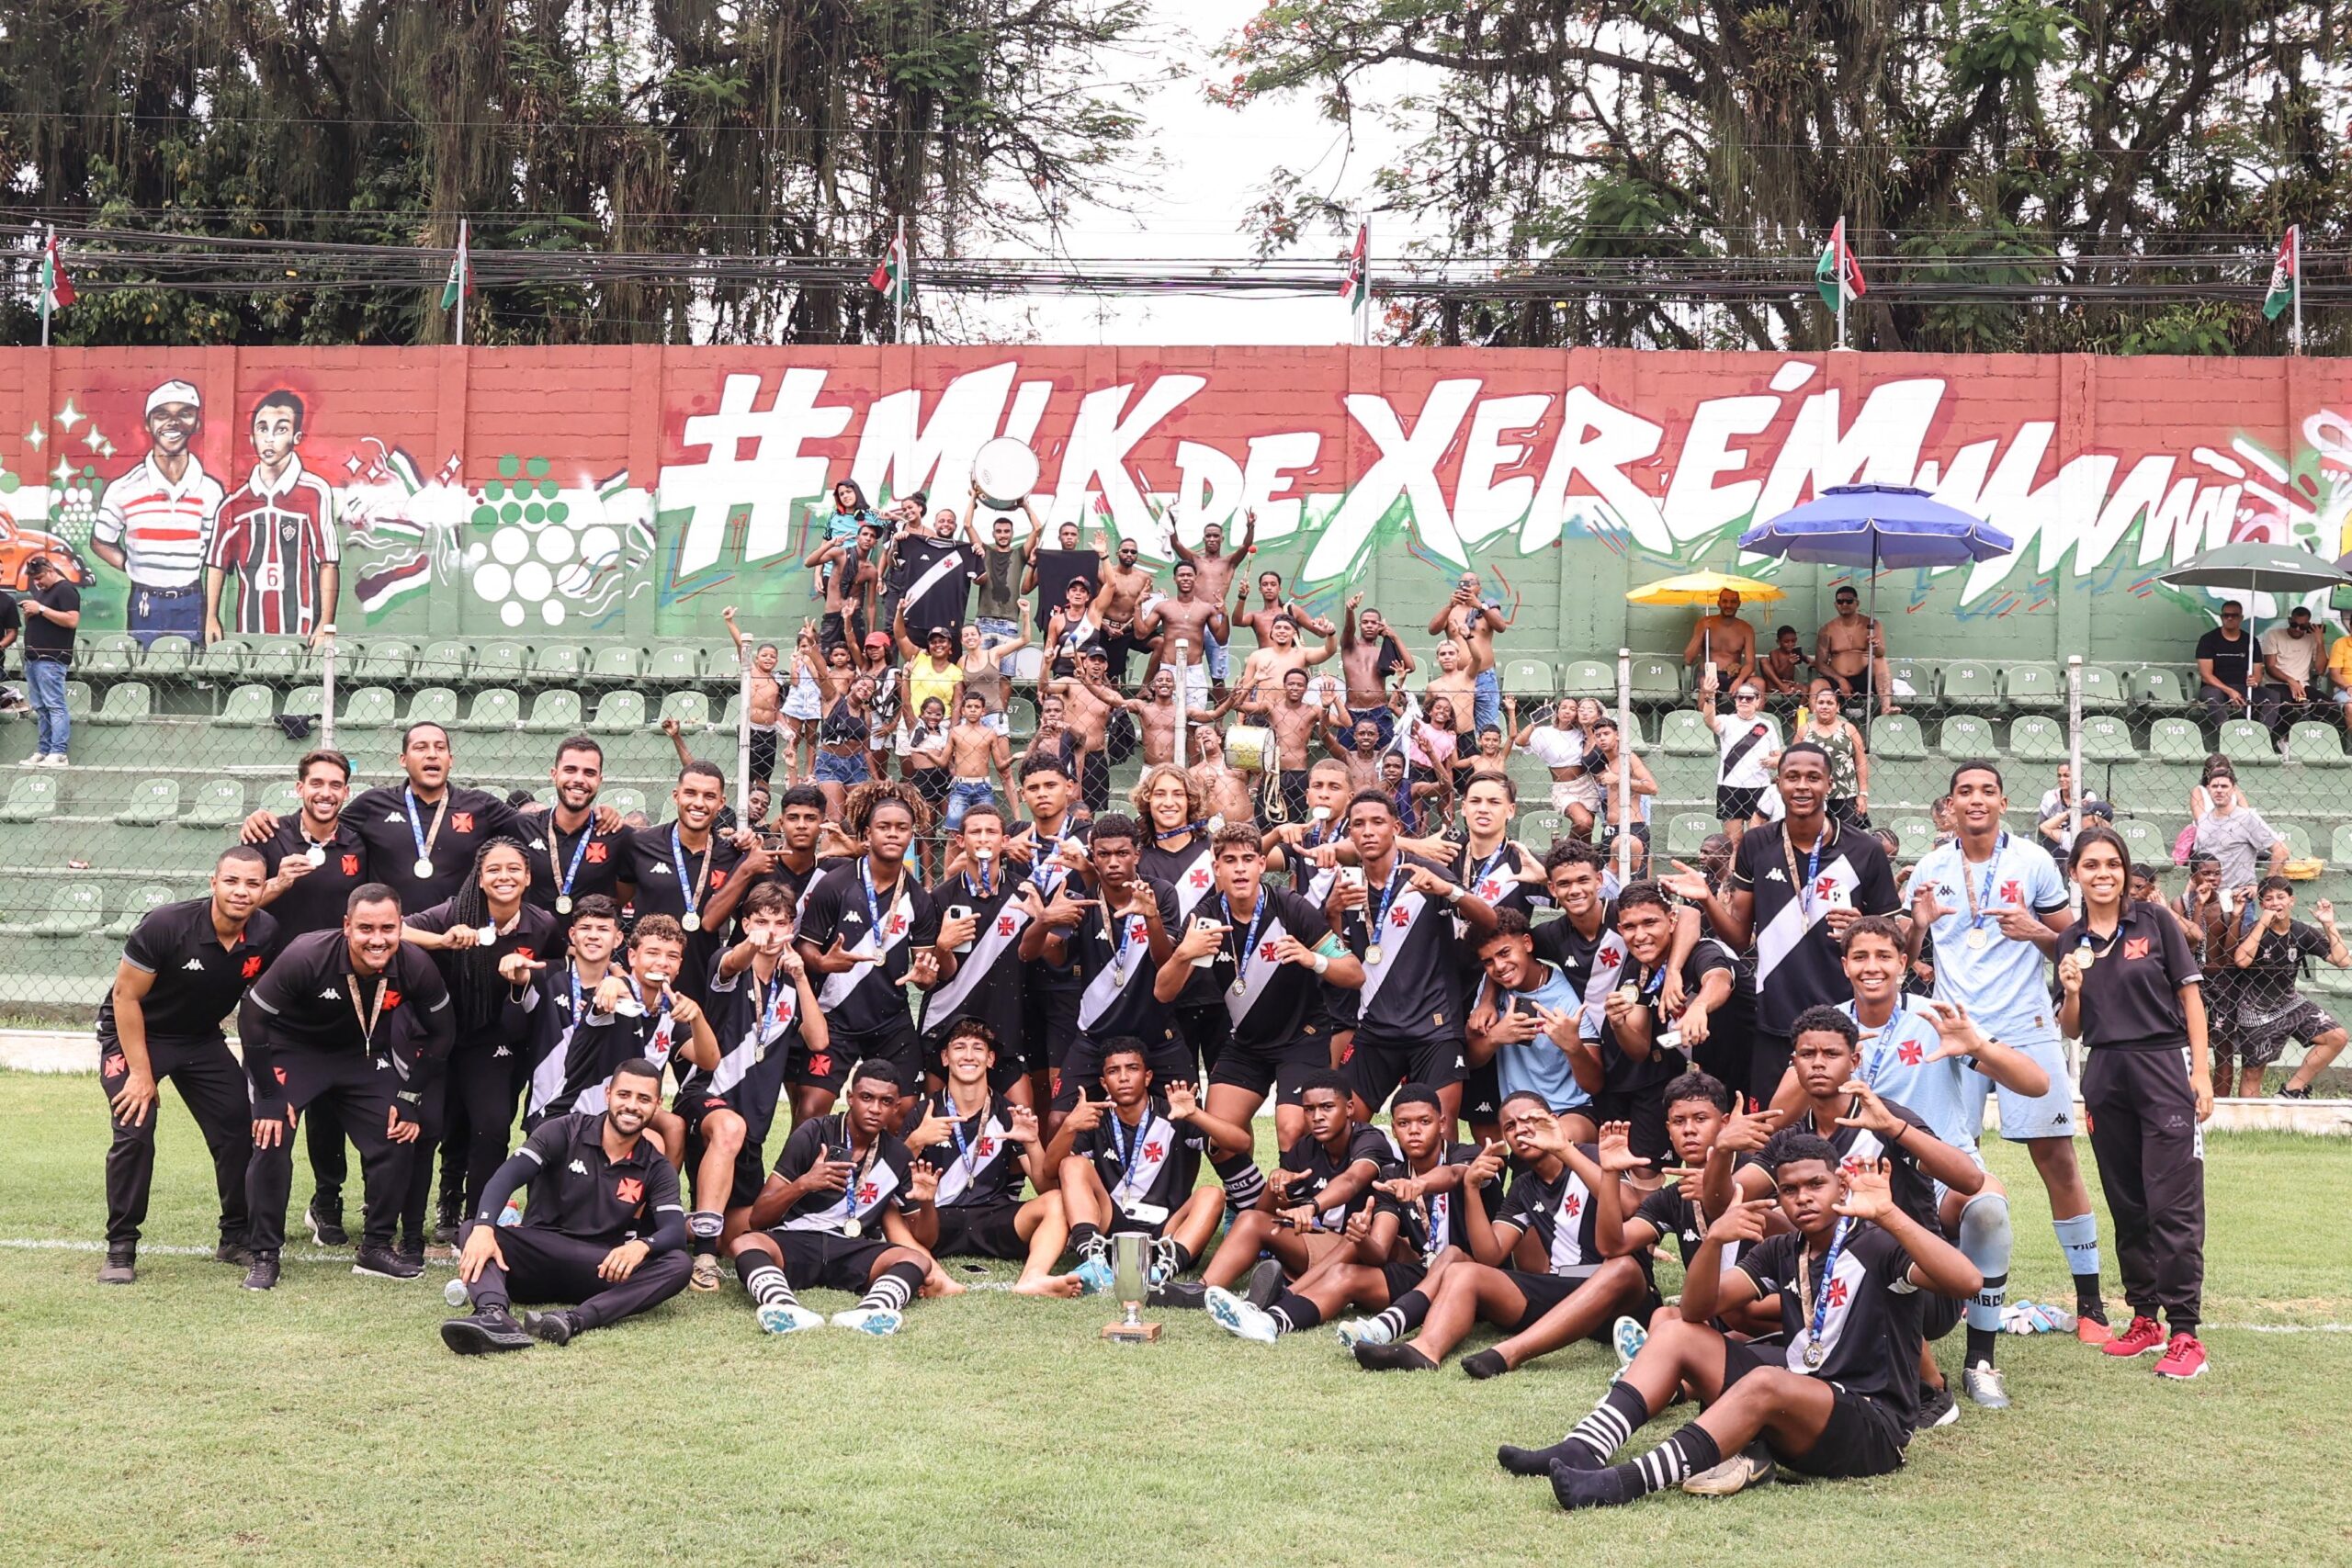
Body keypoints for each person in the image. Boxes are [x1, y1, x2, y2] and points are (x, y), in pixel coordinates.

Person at [1526, 1134, 1981, 1509]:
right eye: (1789, 1190)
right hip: (1801, 1401)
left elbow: (1967, 1281)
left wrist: (1889, 1214)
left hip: (1871, 1426)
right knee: (1676, 1331)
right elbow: (1696, 1311)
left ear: (1842, 1186)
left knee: (1767, 1380)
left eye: (1816, 1184)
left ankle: (1624, 1482)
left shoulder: (1879, 1245)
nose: (1803, 1198)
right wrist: (1713, 1242)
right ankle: (1583, 1447)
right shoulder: (1784, 1249)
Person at [1905, 761, 2109, 1343]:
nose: (1976, 800)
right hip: (1954, 1030)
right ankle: (1951, 1294)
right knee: (1945, 1165)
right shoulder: (1931, 868)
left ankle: (2090, 1303)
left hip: (2025, 1024)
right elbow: (1910, 955)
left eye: (1987, 791)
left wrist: (2036, 931)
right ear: (1949, 806)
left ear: (2003, 801)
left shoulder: (2033, 861)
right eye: (1965, 792)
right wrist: (1917, 928)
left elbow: (2074, 947)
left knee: (2057, 1159)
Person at [1819, 918, 2052, 1407]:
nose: (1872, 967)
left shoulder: (1935, 1019)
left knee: (1988, 1209)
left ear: (1903, 963)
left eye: (1884, 956)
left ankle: (1980, 1362)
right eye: (1860, 957)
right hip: (1861, 1176)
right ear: (1844, 966)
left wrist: (1978, 1046)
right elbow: (1790, 1105)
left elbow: (2036, 1084)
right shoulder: (1829, 1029)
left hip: (1940, 1170)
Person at [239, 884, 455, 1290]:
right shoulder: (307, 954)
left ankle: (375, 1247)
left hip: (362, 1057)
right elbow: (252, 1019)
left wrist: (409, 1097)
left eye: (387, 928)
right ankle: (264, 1253)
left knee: (397, 1131)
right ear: (346, 926)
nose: (377, 940)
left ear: (400, 926)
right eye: (365, 928)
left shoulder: (415, 964)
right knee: (272, 1135)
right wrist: (268, 1095)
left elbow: (443, 1033)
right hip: (294, 1052)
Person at [2056, 825, 2213, 1381]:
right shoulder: (2070, 941)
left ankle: (2186, 1332)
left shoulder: (2154, 922)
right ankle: (2145, 1318)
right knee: (2127, 1202)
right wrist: (2071, 991)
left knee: (2173, 1203)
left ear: (2124, 872)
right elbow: (2072, 1028)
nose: (2103, 874)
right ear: (2075, 874)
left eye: (2112, 864)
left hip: (2164, 1066)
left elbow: (2191, 997)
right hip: (2105, 1073)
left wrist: (2201, 1073)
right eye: (2091, 865)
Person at [1664, 742, 1901, 1106]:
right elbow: (1739, 938)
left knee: (1838, 1123)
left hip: (1840, 1016)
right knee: (1770, 1125)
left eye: (1813, 777)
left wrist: (1862, 927)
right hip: (1774, 1014)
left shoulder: (1864, 849)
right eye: (1792, 777)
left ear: (1830, 784)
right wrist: (1708, 899)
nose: (1802, 786)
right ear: (1778, 782)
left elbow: (1892, 939)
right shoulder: (1757, 843)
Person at [1351, 1092, 1655, 1373]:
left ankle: (1508, 1353)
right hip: (1563, 1288)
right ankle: (1424, 1349)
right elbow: (1490, 1255)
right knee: (1463, 1271)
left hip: (1622, 1296)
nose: (1520, 1130)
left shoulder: (1593, 1155)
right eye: (1510, 1126)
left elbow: (1628, 1206)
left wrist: (1564, 1149)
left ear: (1554, 1122)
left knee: (1623, 1267)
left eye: (1530, 1121)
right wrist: (1471, 1187)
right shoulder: (1523, 1187)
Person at [96, 846, 280, 1284]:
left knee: (238, 1127)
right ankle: (121, 1248)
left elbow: (261, 1005)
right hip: (135, 1034)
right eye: (231, 881)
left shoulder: (266, 932)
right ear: (214, 883)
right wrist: (141, 1074)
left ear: (264, 889)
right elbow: (125, 997)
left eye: (252, 883)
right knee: (135, 1129)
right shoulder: (166, 925)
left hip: (200, 1039)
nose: (241, 891)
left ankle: (235, 1236)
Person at [438, 1059, 693, 1352]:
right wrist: (484, 1227)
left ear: (658, 1105)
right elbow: (505, 1178)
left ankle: (572, 1320)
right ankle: (493, 1315)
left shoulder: (657, 1166)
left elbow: (674, 1231)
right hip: (535, 1256)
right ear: (608, 1094)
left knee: (679, 1264)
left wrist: (642, 1246)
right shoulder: (564, 1131)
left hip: (599, 1268)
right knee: (473, 1229)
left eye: (644, 1099)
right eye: (624, 1095)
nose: (632, 1106)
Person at [1226, 1086, 1504, 1347]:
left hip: (1477, 1278)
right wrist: (1361, 1238)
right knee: (1344, 1274)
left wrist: (1421, 1184)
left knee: (1452, 1255)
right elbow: (1380, 1251)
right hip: (1425, 1271)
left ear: (1442, 1124)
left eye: (1424, 1122)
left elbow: (1454, 1175)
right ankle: (1272, 1319)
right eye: (1404, 1124)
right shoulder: (1391, 1177)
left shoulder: (1467, 1155)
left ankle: (1384, 1327)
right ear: (1393, 1129)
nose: (1414, 1131)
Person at [399, 838, 563, 1253]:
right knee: (439, 1124)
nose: (504, 877)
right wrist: (442, 940)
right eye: (494, 869)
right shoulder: (454, 912)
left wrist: (530, 970)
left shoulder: (541, 923)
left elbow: (565, 964)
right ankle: (440, 1208)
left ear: (528, 877)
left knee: (490, 1126)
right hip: (441, 1036)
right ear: (480, 877)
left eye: (513, 869)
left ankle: (477, 1222)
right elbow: (396, 928)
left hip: (497, 1042)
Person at [1159, 824, 1362, 1156]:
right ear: (1216, 868)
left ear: (1262, 865)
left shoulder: (1290, 907)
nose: (1240, 868)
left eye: (1248, 859)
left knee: (1292, 1129)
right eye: (1230, 860)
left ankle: (1297, 1191)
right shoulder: (1205, 918)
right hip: (1247, 1043)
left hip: (1302, 1038)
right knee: (1218, 1138)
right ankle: (1252, 1192)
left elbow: (1354, 973)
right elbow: (1163, 993)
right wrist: (1183, 954)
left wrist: (1312, 958)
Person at [729, 1060, 938, 1336]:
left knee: (917, 1260)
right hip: (798, 1240)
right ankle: (784, 1307)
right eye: (866, 1097)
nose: (875, 1109)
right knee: (745, 1242)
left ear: (896, 1107)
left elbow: (925, 1240)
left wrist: (928, 1203)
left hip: (852, 1247)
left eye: (886, 1101)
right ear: (850, 1098)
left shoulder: (898, 1155)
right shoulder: (813, 1133)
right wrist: (804, 1184)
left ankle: (871, 1312)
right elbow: (758, 1218)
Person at [1329, 789, 1498, 1125]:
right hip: (1374, 1029)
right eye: (1358, 824)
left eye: (1377, 822)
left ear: (1396, 827)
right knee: (1342, 1128)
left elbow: (1490, 921)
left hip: (1434, 1029)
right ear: (1350, 832)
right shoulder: (1346, 884)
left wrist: (1448, 890)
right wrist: (1332, 912)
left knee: (1439, 1130)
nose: (1368, 831)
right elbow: (1338, 956)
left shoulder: (1425, 873)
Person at [795, 793, 961, 1112]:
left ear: (912, 835)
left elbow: (925, 971)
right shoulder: (836, 884)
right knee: (812, 1107)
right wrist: (824, 962)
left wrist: (925, 976)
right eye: (884, 827)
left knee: (905, 1109)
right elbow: (805, 947)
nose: (893, 834)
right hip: (835, 1017)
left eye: (902, 827)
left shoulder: (918, 898)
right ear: (868, 834)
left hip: (890, 1020)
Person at [1178, 1068, 1387, 1310]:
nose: (1317, 1117)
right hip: (1329, 1244)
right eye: (1309, 1109)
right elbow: (1262, 1215)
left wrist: (1311, 1206)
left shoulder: (1370, 1139)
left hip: (1371, 1250)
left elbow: (1352, 1180)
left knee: (1352, 1238)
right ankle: (1203, 1290)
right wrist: (1275, 1185)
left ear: (1349, 1108)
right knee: (1250, 1219)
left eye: (1327, 1107)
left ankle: (1286, 1296)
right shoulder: (1305, 1148)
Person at [1045, 1044, 1245, 1293]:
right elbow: (1050, 1171)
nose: (1124, 1078)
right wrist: (1068, 1127)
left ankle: (1160, 1273)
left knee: (1212, 1194)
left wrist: (1195, 1115)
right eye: (1113, 1071)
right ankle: (1093, 1261)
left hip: (1167, 1235)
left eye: (1132, 1068)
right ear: (1104, 1083)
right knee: (1072, 1164)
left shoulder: (1174, 1114)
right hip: (1112, 1231)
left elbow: (1240, 1143)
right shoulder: (1095, 1118)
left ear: (1148, 1076)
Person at [1022, 811, 1187, 1113]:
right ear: (1093, 857)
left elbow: (1165, 962)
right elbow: (1029, 953)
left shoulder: (1160, 893)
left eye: (1122, 853)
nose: (1113, 862)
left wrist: (1151, 918)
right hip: (1095, 1035)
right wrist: (1044, 920)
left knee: (1184, 1121)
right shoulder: (1082, 901)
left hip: (1155, 1033)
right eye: (1104, 854)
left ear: (1137, 854)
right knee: (1060, 1119)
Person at [902, 1021, 1077, 1295]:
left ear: (991, 1058)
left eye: (978, 1048)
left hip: (994, 1216)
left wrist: (1032, 1142)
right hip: (936, 1220)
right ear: (945, 1057)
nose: (968, 1056)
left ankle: (1033, 1278)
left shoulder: (1008, 1112)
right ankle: (934, 1276)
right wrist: (915, 1141)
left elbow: (1046, 1188)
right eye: (959, 1047)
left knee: (1057, 1200)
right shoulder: (925, 1111)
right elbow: (891, 1182)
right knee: (892, 1217)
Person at [89, 380, 226, 646]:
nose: (173, 423)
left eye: (184, 413)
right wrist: (131, 566)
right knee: (143, 665)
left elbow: (215, 555)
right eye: (162, 414)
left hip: (191, 599)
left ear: (197, 423)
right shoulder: (125, 488)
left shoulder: (210, 491)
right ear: (148, 424)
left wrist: (211, 615)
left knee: (192, 666)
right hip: (145, 600)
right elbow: (100, 541)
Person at [915, 802, 1034, 1101]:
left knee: (1023, 1118)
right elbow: (940, 974)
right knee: (937, 1116)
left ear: (1004, 841)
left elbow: (1035, 958)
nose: (983, 838)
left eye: (991, 832)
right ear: (959, 839)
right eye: (975, 832)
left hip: (1006, 1024)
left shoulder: (1024, 893)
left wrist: (1044, 922)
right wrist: (943, 946)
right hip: (947, 1022)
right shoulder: (940, 897)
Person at [201, 390, 339, 644]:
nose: (270, 438)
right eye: (262, 428)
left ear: (296, 437)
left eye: (281, 429)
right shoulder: (234, 504)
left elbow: (327, 563)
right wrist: (211, 616)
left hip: (303, 628)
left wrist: (325, 623)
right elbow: (216, 564)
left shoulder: (314, 492)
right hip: (249, 629)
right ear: (252, 437)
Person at [2222, 876, 2350, 1097]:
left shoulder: (2301, 931)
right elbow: (2241, 960)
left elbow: (2343, 960)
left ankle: (2291, 1091)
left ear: (2292, 901)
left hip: (2290, 1003)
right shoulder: (2254, 930)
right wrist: (2263, 924)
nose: (2275, 903)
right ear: (2262, 905)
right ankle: (2252, 1115)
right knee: (2253, 1073)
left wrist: (2328, 924)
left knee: (2337, 1037)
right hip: (2256, 1011)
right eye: (2269, 899)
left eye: (2281, 897)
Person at [1466, 911, 1595, 1129]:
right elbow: (1470, 1060)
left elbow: (1594, 1084)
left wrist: (1573, 1047)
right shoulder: (1492, 989)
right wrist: (1495, 1037)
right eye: (1488, 961)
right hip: (1518, 1114)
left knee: (1549, 1140)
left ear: (1527, 943)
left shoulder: (1566, 996)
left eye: (1505, 953)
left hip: (1571, 1110)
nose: (1499, 966)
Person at [1696, 669, 1781, 835]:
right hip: (1730, 786)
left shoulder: (1767, 726)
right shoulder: (1726, 721)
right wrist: (1710, 696)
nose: (1743, 701)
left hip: (1760, 787)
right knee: (1733, 839)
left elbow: (1778, 757)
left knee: (1758, 837)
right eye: (1739, 697)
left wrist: (1773, 762)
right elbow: (1709, 721)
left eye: (1749, 698)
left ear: (1758, 701)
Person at [17, 554, 79, 766]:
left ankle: (59, 752)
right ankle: (44, 751)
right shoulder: (43, 592)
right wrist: (30, 613)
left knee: (54, 705)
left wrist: (41, 609)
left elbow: (72, 620)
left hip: (51, 658)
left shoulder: (65, 590)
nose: (37, 582)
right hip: (34, 658)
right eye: (34, 579)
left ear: (51, 570)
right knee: (41, 707)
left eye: (40, 577)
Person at [2189, 766, 2287, 891]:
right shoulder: (2203, 820)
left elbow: (2281, 851)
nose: (2219, 790)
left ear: (2234, 789)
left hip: (2238, 895)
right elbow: (2198, 863)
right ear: (2208, 789)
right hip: (2208, 896)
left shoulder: (2247, 818)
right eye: (2215, 786)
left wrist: (2264, 887)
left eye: (2224, 786)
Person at [1514, 698, 1600, 835]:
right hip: (1564, 788)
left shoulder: (1581, 732)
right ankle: (1564, 846)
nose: (1567, 711)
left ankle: (1574, 849)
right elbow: (1520, 741)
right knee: (1584, 822)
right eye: (1564, 707)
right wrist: (1536, 721)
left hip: (1587, 785)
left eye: (1573, 709)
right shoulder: (1544, 732)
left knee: (1586, 832)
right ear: (1557, 711)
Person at [1338, 593, 1412, 746]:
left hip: (1379, 711)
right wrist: (1350, 610)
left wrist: (1394, 636)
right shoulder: (1349, 647)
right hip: (1352, 712)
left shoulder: (1383, 651)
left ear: (1380, 627)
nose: (1369, 626)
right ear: (1360, 625)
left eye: (1374, 623)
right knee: (1346, 754)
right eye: (1365, 622)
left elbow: (1410, 667)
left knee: (1385, 754)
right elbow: (1349, 629)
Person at [1813, 583, 1896, 715]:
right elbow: (1820, 664)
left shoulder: (1872, 625)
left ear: (1857, 603)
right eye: (1840, 601)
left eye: (1849, 601)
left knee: (1880, 662)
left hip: (1865, 679)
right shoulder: (1827, 630)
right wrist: (1840, 680)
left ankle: (1886, 708)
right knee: (1816, 684)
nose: (1844, 604)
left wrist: (1876, 645)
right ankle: (1816, 720)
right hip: (1837, 679)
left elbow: (1881, 653)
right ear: (1835, 604)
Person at [1793, 684, 1870, 826]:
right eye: (1821, 702)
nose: (1825, 707)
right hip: (1811, 795)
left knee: (1845, 836)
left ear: (1838, 707)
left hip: (1845, 795)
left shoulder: (1849, 729)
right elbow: (1793, 762)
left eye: (1830, 703)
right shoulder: (1804, 730)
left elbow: (1861, 761)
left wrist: (1863, 794)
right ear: (1814, 706)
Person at [2196, 601, 2262, 728]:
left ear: (2241, 618)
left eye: (2234, 615)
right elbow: (2206, 676)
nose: (2230, 618)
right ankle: (2226, 732)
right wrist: (2229, 691)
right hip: (2214, 687)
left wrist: (2255, 681)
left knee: (2272, 697)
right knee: (2213, 697)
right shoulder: (2208, 640)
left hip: (2243, 686)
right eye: (2226, 615)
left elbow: (2258, 672)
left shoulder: (2251, 641)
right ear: (2221, 617)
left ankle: (2264, 733)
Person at [2256, 603, 2321, 728]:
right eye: (2294, 625)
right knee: (2287, 707)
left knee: (2327, 705)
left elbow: (2320, 669)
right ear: (2289, 620)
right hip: (2277, 684)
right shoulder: (2274, 634)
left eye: (2303, 627)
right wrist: (2291, 681)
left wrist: (2320, 642)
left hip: (2302, 685)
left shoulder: (2311, 639)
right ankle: (2285, 737)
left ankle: (2316, 735)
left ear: (2308, 625)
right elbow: (2270, 667)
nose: (2297, 629)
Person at [1682, 586, 1757, 694]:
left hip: (1734, 676)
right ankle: (1707, 705)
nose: (1728, 605)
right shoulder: (1704, 623)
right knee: (1705, 682)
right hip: (1708, 675)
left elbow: (1750, 663)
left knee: (1759, 683)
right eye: (1725, 601)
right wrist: (1701, 632)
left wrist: (1739, 680)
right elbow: (1688, 659)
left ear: (1739, 604)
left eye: (1733, 602)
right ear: (1718, 603)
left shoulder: (1746, 629)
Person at [1759, 625, 1808, 697]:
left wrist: (1812, 663)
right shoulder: (1775, 653)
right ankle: (1782, 686)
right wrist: (1789, 663)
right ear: (1778, 642)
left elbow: (1809, 660)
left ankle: (1801, 705)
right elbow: (1778, 673)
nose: (1790, 644)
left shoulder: (1795, 653)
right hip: (1776, 685)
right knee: (1763, 660)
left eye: (1793, 641)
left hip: (1789, 684)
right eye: (1786, 642)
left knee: (1805, 689)